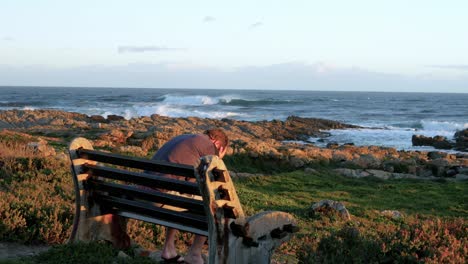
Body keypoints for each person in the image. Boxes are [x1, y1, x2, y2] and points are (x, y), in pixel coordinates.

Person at [152, 128, 229, 264]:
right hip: (161, 196)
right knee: (214, 205)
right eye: (220, 149)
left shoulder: (184, 137)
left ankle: (168, 249)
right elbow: (212, 184)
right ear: (217, 143)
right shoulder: (208, 145)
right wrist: (217, 159)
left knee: (180, 198)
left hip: (146, 193)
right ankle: (194, 254)